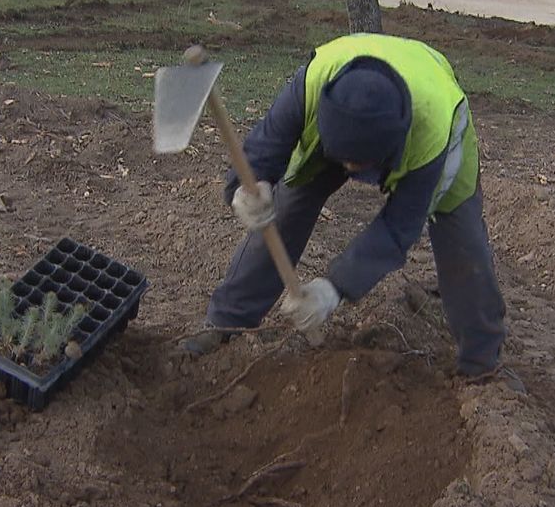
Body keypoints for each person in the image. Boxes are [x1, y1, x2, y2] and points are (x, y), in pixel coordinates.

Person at [181, 32, 518, 389]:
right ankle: (226, 323)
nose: (351, 171)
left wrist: (333, 288)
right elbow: (267, 143)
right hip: (342, 126)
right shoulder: (313, 84)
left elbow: (397, 230)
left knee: (463, 245)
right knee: (284, 210)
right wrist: (246, 186)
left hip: (436, 128)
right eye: (346, 161)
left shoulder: (433, 136)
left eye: (360, 164)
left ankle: (482, 363)